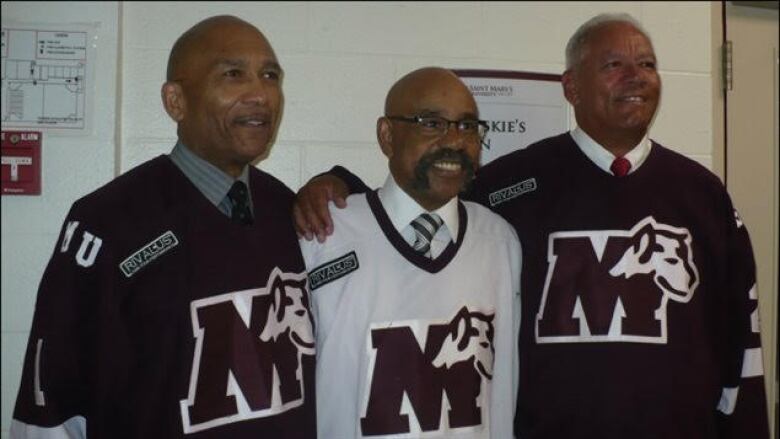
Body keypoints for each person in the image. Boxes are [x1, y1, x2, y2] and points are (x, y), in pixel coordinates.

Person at [293, 13, 770, 439]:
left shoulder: (703, 194)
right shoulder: (512, 186)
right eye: (613, 66)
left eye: (646, 64)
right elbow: (427, 197)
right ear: (571, 87)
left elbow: (740, 336)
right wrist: (339, 185)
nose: (636, 78)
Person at [11, 16, 316, 438]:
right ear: (176, 101)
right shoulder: (107, 221)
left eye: (270, 76)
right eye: (233, 74)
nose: (260, 94)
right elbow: (52, 406)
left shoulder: (289, 209)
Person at [300, 67, 520, 438]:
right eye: (431, 123)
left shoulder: (500, 240)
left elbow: (502, 390)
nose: (454, 140)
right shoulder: (322, 235)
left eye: (467, 126)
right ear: (387, 135)